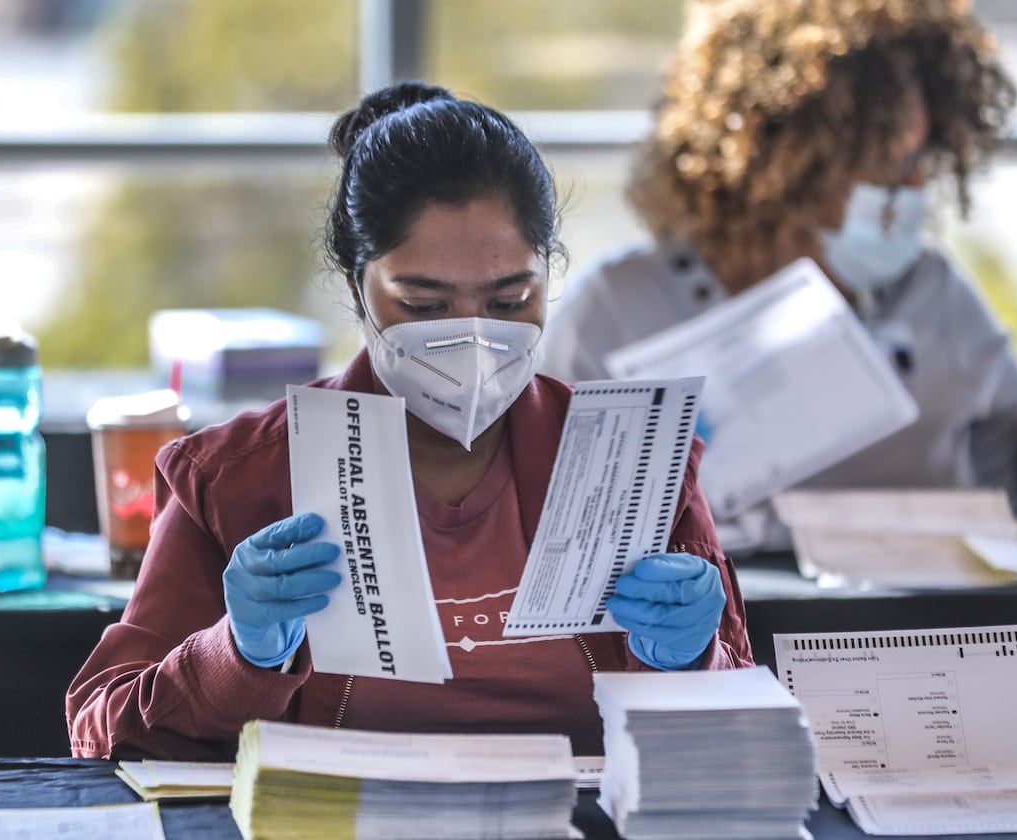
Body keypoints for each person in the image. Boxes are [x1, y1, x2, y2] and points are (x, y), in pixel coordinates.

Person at [66, 81, 755, 761]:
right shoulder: (235, 477)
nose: (473, 337)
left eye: (510, 300)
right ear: (354, 288)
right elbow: (100, 728)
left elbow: (744, 733)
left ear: (548, 279)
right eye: (423, 306)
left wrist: (693, 659)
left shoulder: (635, 459)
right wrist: (239, 654)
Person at [542, 0, 1017, 552]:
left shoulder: (930, 294)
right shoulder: (615, 311)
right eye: (892, 165)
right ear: (787, 165)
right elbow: (538, 518)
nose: (917, 188)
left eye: (922, 159)